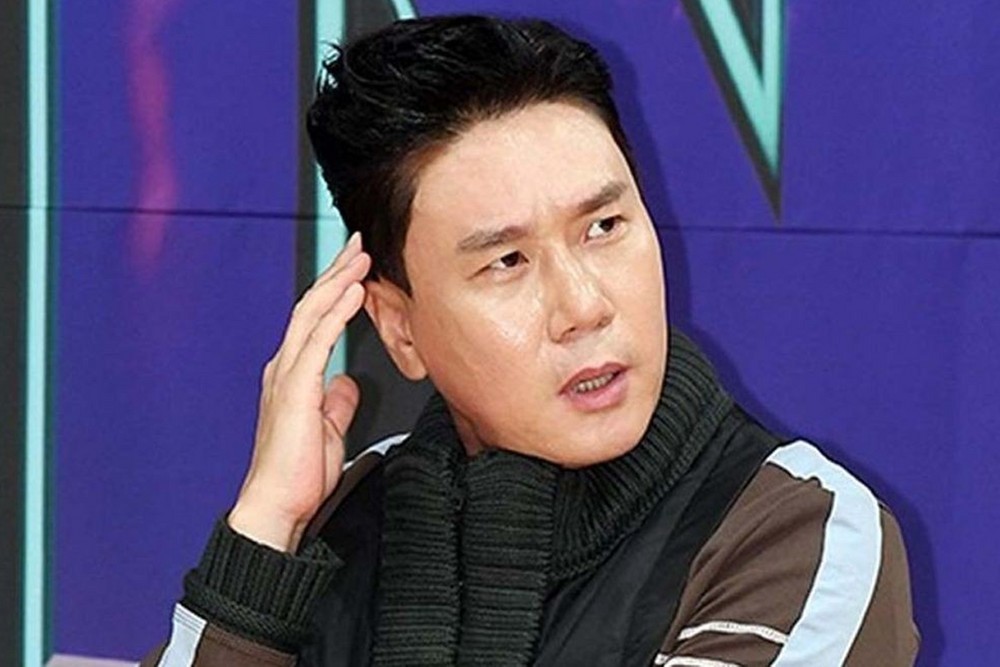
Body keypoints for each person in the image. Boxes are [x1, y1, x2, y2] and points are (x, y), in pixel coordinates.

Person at [143, 15, 918, 667]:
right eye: (507, 262)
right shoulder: (340, 520)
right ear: (400, 328)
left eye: (604, 226)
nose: (584, 306)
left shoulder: (800, 532)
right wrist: (263, 536)